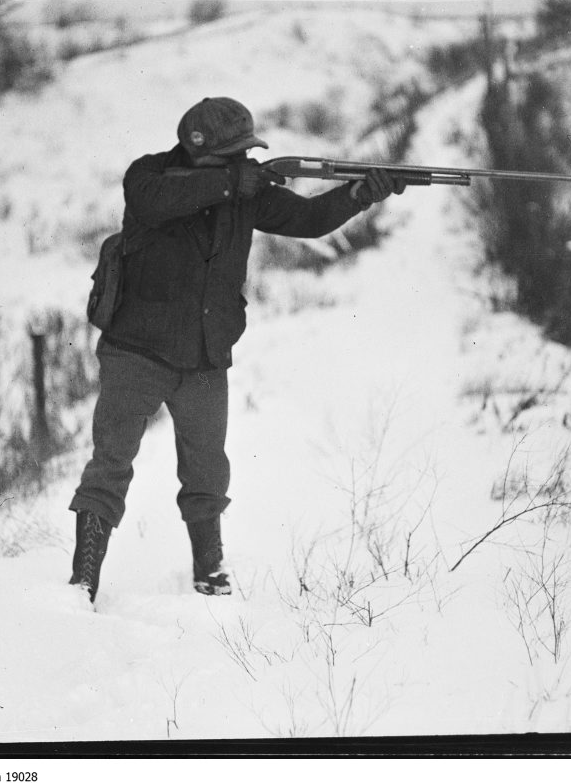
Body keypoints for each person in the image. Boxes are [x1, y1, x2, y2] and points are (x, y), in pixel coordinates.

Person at [68, 97, 406, 602]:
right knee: (110, 464)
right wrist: (231, 183)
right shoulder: (149, 177)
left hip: (203, 356)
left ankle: (211, 575)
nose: (238, 163)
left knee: (207, 472)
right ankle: (82, 583)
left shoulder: (243, 192)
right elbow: (153, 202)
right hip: (135, 351)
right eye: (228, 155)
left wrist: (359, 194)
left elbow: (310, 220)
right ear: (195, 148)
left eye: (241, 155)